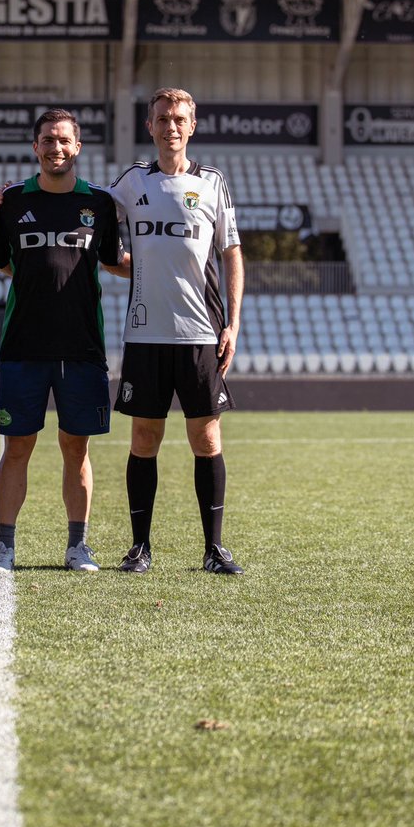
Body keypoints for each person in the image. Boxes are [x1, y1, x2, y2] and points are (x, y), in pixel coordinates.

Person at [0, 108, 126, 573]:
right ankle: (4, 546)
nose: (56, 148)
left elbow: (114, 260)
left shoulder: (100, 204)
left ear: (77, 147)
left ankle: (77, 546)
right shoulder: (13, 201)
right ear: (35, 147)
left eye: (64, 140)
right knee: (16, 447)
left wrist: (165, 262)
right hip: (23, 345)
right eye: (47, 140)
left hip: (82, 347)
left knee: (76, 448)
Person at [110, 87, 245, 575]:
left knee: (206, 439)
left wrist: (232, 321)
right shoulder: (129, 183)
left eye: (179, 119)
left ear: (192, 126)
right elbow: (97, 236)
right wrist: (138, 267)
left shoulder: (212, 183)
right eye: (162, 118)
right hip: (145, 334)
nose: (171, 126)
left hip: (201, 334)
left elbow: (231, 253)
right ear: (150, 126)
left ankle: (214, 549)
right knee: (143, 437)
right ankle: (140, 548)